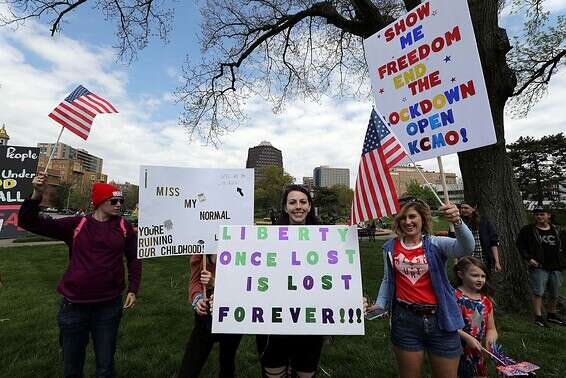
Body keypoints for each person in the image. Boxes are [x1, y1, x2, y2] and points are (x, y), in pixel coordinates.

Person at [18, 172, 141, 378]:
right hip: (73, 307)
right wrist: (37, 193)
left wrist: (133, 289)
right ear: (100, 202)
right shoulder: (76, 224)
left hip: (109, 306)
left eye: (121, 200)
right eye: (114, 200)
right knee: (72, 366)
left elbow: (134, 258)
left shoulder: (123, 227)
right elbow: (28, 221)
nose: (120, 204)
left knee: (105, 365)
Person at [366, 199, 475, 378]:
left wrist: (458, 222)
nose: (407, 222)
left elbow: (465, 248)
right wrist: (380, 305)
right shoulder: (390, 247)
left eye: (412, 216)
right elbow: (387, 280)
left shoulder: (435, 243)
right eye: (403, 218)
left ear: (422, 218)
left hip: (441, 320)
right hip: (405, 321)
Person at [256, 184, 322, 378]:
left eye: (303, 202)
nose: (298, 206)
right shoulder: (267, 239)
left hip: (310, 323)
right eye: (292, 202)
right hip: (274, 324)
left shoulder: (325, 239)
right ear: (285, 207)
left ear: (310, 206)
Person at [178, 254, 242, 377]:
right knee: (190, 365)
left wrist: (215, 283)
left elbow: (245, 283)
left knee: (227, 362)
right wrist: (197, 298)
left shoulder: (240, 249)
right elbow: (195, 280)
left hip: (231, 315)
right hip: (206, 315)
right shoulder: (201, 252)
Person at [516, 207, 566, 327]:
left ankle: (552, 315)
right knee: (538, 291)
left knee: (554, 292)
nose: (539, 217)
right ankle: (538, 316)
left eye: (542, 214)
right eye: (537, 214)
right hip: (539, 266)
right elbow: (520, 245)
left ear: (548, 215)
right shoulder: (528, 230)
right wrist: (529, 259)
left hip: (556, 266)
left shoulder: (556, 230)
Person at [453, 257, 498, 378]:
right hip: (455, 351)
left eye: (483, 276)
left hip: (476, 352)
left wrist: (490, 341)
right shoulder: (453, 297)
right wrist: (466, 337)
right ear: (461, 275)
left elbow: (491, 328)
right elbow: (447, 325)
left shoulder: (485, 301)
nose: (480, 280)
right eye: (475, 275)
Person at [458, 201, 501, 274]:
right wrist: (456, 262)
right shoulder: (458, 223)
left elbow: (493, 243)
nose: (463, 210)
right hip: (466, 260)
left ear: (474, 208)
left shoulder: (485, 223)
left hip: (482, 260)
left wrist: (497, 262)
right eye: (461, 208)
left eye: (466, 208)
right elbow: (454, 241)